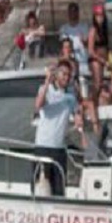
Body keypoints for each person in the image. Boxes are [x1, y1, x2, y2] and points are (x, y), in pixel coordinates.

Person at [33, 61, 81, 197]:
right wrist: (48, 81)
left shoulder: (70, 96)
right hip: (43, 146)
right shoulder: (45, 89)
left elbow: (76, 111)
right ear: (57, 74)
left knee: (59, 190)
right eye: (64, 74)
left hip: (59, 149)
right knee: (40, 187)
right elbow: (38, 105)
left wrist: (78, 117)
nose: (66, 77)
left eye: (69, 75)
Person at [58, 2, 90, 70]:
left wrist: (84, 41)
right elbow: (63, 46)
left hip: (83, 61)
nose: (73, 13)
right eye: (71, 11)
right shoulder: (63, 28)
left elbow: (88, 44)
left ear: (78, 12)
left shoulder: (84, 27)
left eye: (75, 11)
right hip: (68, 63)